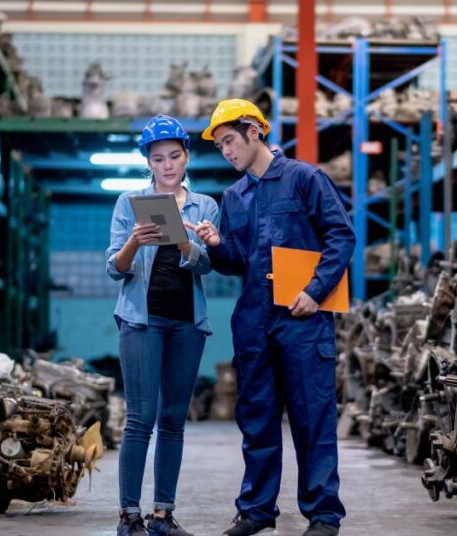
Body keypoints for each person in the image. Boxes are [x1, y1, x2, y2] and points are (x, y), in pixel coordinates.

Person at [187, 99, 354, 536]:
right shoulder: (234, 196)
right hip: (255, 322)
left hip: (303, 319)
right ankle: (257, 512)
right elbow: (237, 261)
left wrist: (315, 292)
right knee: (257, 418)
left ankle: (323, 515)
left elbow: (341, 235)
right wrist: (218, 243)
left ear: (254, 131)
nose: (226, 151)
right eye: (220, 145)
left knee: (311, 417)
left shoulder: (305, 179)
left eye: (229, 141)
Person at [106, 114, 220, 536]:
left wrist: (190, 241)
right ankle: (129, 516)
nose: (168, 165)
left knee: (173, 419)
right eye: (159, 158)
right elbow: (115, 269)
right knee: (141, 418)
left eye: (175, 156)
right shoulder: (128, 203)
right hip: (141, 321)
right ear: (148, 162)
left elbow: (210, 263)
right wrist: (136, 239)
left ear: (187, 157)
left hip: (187, 323)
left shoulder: (205, 205)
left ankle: (162, 516)